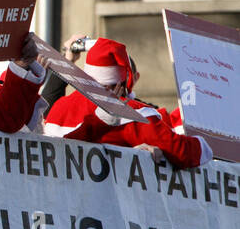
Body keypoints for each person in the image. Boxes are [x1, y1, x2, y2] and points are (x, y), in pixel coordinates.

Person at [42, 37, 211, 167]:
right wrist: (206, 144)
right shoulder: (133, 113)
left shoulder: (59, 106)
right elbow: (181, 152)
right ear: (125, 79)